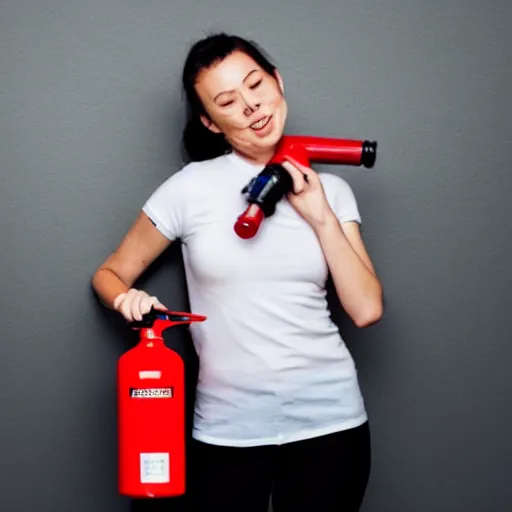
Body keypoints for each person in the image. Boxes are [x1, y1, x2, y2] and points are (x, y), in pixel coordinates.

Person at [92, 32, 383, 512]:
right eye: (228, 101)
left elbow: (367, 308)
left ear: (278, 82)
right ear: (210, 121)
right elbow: (108, 274)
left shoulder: (331, 190)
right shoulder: (189, 189)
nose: (251, 106)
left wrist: (320, 215)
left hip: (331, 423)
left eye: (255, 85)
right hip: (227, 429)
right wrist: (127, 300)